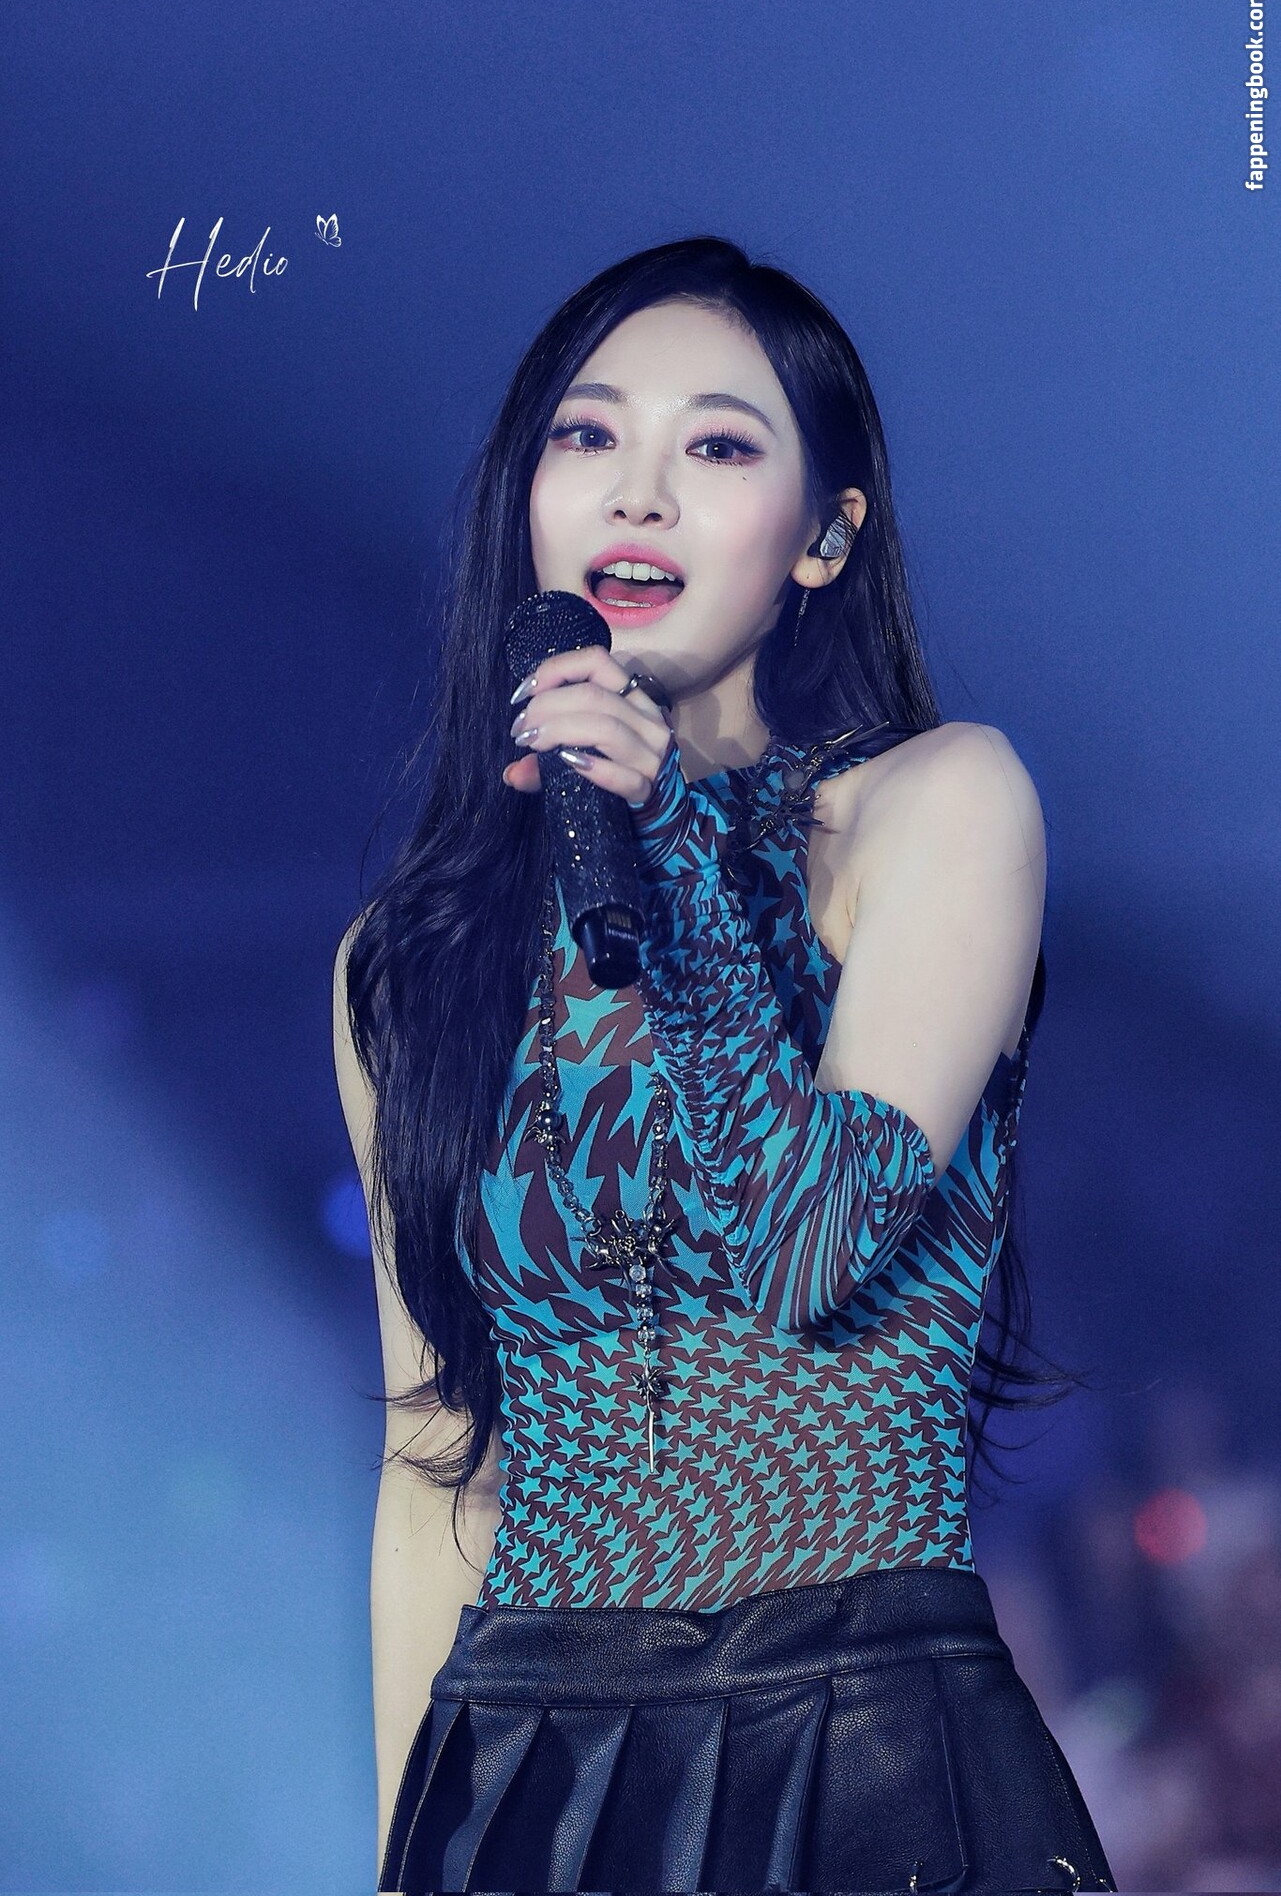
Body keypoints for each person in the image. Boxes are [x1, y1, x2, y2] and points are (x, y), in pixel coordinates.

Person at [333, 235, 1118, 1894]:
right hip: (533, 1769)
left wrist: (666, 840)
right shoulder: (408, 966)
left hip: (856, 1740)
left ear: (823, 536)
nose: (638, 492)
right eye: (586, 435)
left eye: (715, 445)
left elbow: (804, 1248)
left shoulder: (938, 809)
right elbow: (435, 1466)